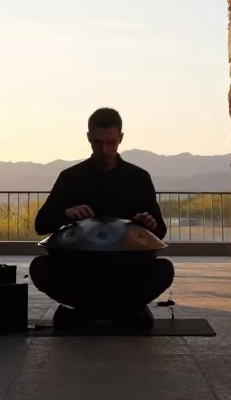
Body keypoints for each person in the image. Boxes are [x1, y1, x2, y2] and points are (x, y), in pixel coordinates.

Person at [30, 108, 174, 329]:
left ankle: (86, 313)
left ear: (121, 138)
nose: (105, 150)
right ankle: (122, 312)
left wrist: (150, 223)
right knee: (40, 267)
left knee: (164, 269)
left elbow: (160, 231)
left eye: (111, 143)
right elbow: (41, 225)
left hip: (125, 270)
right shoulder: (71, 177)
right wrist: (66, 213)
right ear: (88, 138)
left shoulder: (138, 177)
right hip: (82, 270)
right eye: (98, 143)